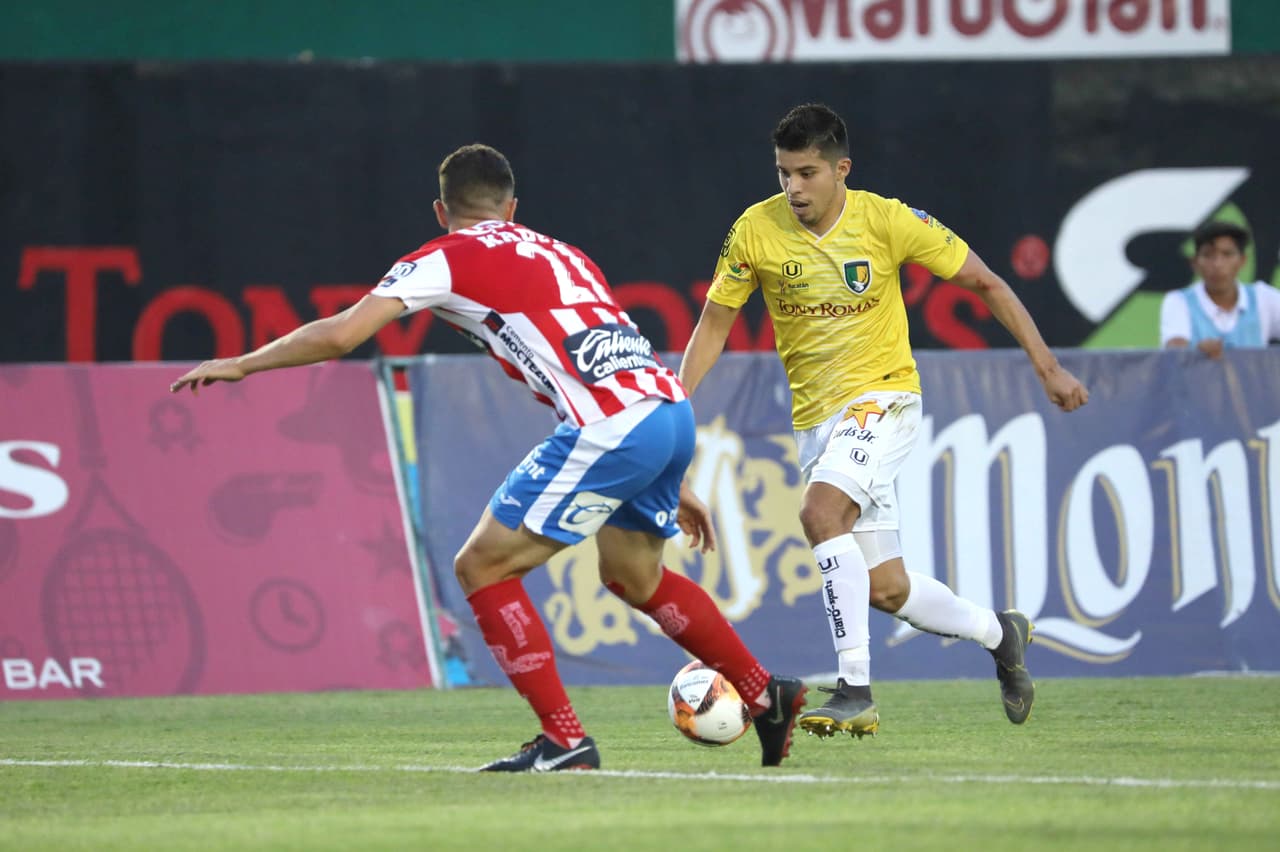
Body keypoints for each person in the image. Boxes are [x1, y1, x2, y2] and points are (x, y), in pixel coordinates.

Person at [170, 143, 807, 771]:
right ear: (513, 207)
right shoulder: (565, 252)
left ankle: (564, 740)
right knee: (633, 576)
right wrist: (671, 467)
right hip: (666, 413)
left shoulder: (444, 257)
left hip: (615, 426)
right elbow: (610, 352)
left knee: (483, 568)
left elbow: (342, 333)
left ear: (442, 212)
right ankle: (762, 692)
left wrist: (243, 363)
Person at [678, 104, 1089, 740]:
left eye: (808, 172)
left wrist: (1048, 369)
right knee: (886, 589)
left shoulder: (890, 220)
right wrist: (675, 407)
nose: (793, 188)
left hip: (884, 398)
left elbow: (987, 283)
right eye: (784, 173)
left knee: (819, 516)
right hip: (816, 420)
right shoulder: (754, 231)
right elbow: (714, 323)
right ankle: (1000, 633)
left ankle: (855, 691)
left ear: (842, 169)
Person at [1160, 221, 1280, 356]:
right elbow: (1175, 352)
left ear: (1242, 261)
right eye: (1208, 255)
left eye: (1227, 254)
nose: (1217, 264)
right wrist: (1195, 352)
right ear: (1195, 263)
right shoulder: (1178, 301)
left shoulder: (1263, 297)